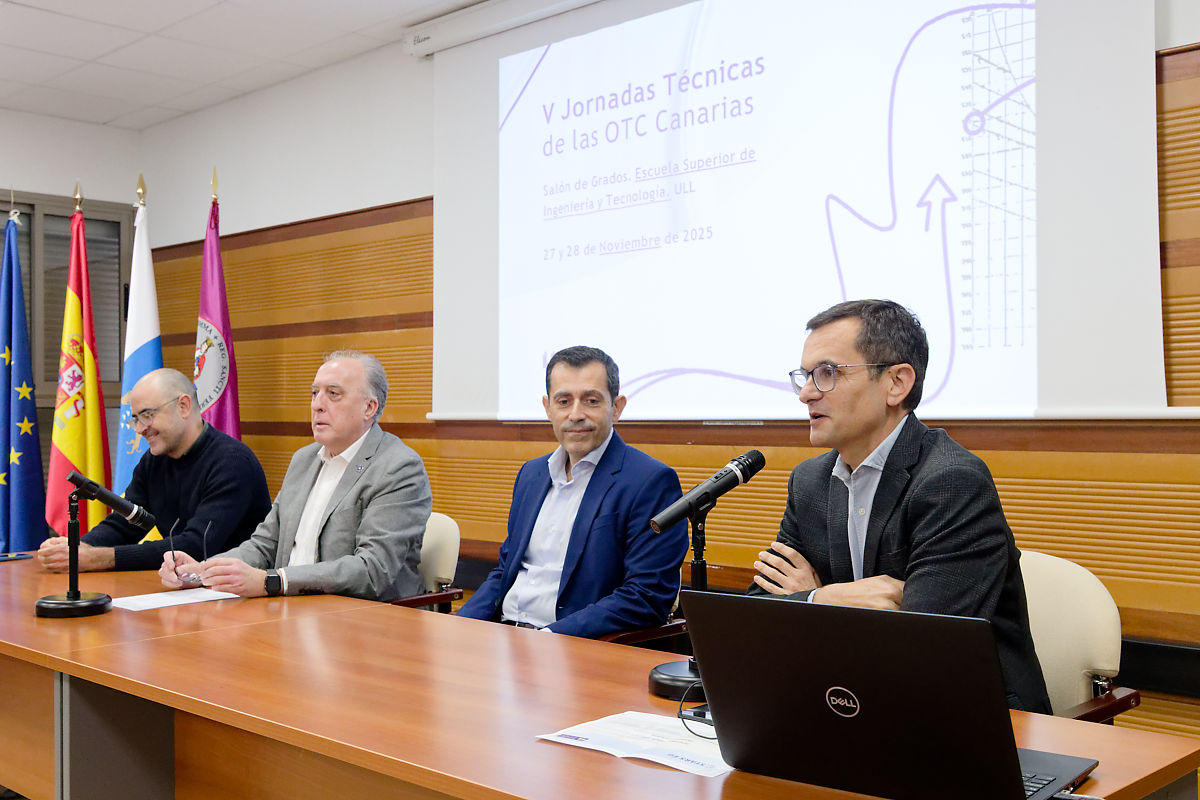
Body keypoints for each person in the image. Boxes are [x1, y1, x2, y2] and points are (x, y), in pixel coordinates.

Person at [751, 299, 1051, 713]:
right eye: (804, 376)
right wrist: (823, 601)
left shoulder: (951, 481)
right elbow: (756, 618)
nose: (805, 394)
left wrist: (810, 601)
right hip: (851, 704)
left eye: (827, 373)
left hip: (970, 720)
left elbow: (923, 645)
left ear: (896, 383)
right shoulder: (810, 482)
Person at [159, 350, 431, 602]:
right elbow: (265, 544)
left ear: (369, 408)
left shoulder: (397, 467)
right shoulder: (304, 459)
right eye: (314, 393)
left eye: (333, 394)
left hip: (360, 622)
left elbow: (373, 569)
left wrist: (273, 581)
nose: (317, 405)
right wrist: (202, 572)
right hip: (291, 611)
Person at [457, 346, 689, 638]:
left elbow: (646, 597)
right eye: (563, 401)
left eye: (591, 401)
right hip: (506, 640)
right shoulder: (531, 474)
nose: (576, 414)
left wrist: (548, 637)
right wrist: (458, 626)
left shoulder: (651, 482)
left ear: (616, 407)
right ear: (547, 407)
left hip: (576, 648)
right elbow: (506, 572)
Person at [37, 368, 270, 572]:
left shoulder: (233, 462)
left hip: (234, 597)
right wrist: (76, 548)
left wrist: (99, 558)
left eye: (147, 415)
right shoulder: (153, 461)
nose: (140, 429)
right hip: (182, 587)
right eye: (135, 419)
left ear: (184, 406)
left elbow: (196, 546)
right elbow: (127, 521)